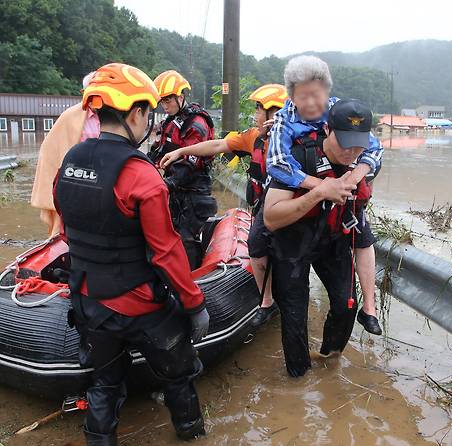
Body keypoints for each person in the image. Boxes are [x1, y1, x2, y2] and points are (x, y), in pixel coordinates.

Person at [53, 63, 209, 445]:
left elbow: (67, 222)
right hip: (141, 306)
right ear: (136, 113)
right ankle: (191, 434)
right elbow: (167, 251)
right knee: (178, 374)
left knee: (103, 386)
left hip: (90, 301)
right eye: (147, 115)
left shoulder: (70, 162)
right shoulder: (140, 175)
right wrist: (194, 304)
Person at [268, 55, 383, 335]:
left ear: (327, 93)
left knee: (347, 295)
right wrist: (320, 188)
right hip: (296, 197)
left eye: (315, 95)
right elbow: (277, 162)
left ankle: (367, 309)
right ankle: (264, 302)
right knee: (260, 238)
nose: (309, 103)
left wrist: (352, 178)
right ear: (291, 95)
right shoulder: (284, 120)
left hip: (335, 214)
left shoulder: (340, 113)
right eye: (301, 96)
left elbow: (375, 148)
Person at [159, 84, 288, 327]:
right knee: (258, 250)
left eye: (260, 110)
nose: (256, 115)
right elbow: (218, 145)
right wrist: (181, 152)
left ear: (276, 113)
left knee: (287, 265)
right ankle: (268, 302)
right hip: (263, 209)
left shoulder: (296, 142)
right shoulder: (254, 137)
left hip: (288, 214)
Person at [263, 99, 375, 377]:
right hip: (292, 242)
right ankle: (298, 379)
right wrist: (319, 192)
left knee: (345, 304)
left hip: (333, 239)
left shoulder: (363, 160)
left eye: (358, 144)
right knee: (294, 316)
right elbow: (271, 217)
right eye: (345, 142)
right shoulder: (297, 158)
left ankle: (328, 360)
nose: (352, 151)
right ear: (327, 129)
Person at [149, 70, 217, 269]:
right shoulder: (170, 122)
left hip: (194, 191)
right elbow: (158, 151)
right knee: (168, 234)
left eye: (168, 100)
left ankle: (193, 280)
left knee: (187, 238)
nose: (165, 105)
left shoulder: (196, 124)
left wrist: (163, 185)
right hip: (175, 191)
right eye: (162, 101)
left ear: (180, 96)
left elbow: (189, 163)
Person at [31, 72, 100, 237]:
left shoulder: (113, 116)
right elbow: (50, 152)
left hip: (103, 183)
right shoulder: (70, 116)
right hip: (76, 183)